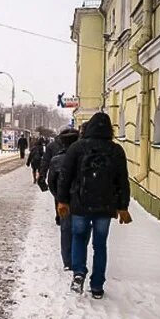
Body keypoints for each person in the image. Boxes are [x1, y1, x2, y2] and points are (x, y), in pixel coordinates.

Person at [57, 112, 132, 299]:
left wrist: (62, 200)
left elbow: (65, 176)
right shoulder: (116, 150)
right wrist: (123, 206)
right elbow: (122, 180)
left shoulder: (76, 148)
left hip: (80, 204)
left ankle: (79, 273)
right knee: (100, 245)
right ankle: (97, 286)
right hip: (105, 208)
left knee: (79, 238)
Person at [46, 128, 80, 271]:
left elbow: (51, 181)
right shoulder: (83, 157)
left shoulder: (56, 159)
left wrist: (59, 197)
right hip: (81, 200)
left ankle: (67, 261)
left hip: (64, 200)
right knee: (80, 230)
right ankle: (77, 258)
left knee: (66, 230)